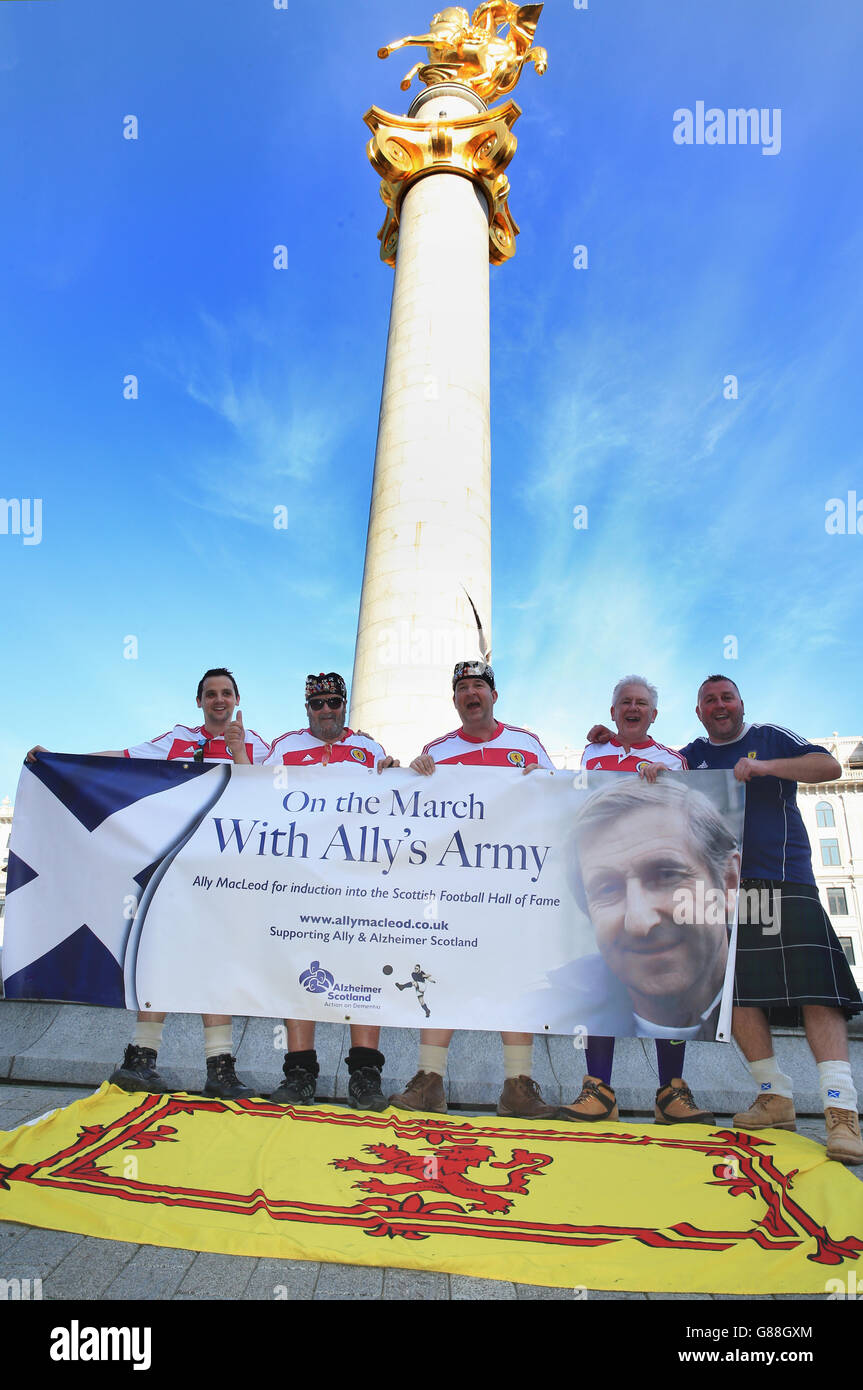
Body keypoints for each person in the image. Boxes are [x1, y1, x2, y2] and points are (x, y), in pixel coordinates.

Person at [26, 668, 270, 1100]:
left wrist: (239, 754)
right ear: (200, 702)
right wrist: (57, 759)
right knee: (159, 956)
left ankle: (220, 1068)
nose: (219, 700)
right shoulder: (176, 739)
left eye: (226, 693)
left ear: (237, 699)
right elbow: (121, 760)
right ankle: (140, 1061)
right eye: (211, 694)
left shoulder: (258, 745)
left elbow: (269, 803)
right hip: (170, 867)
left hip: (227, 872)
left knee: (218, 962)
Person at [679, 675, 863, 1163]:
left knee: (816, 991)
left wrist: (765, 770)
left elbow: (828, 765)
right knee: (737, 992)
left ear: (741, 704)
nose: (719, 706)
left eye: (727, 698)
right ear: (698, 711)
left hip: (784, 880)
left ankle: (841, 1111)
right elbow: (647, 774)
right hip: (722, 890)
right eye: (709, 701)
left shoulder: (770, 737)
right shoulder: (690, 754)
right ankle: (774, 1094)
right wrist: (610, 744)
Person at [389, 659, 558, 1119]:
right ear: (455, 699)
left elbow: (559, 800)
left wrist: (544, 782)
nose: (471, 694)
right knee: (441, 972)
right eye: (462, 688)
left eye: (478, 686)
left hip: (512, 886)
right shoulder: (436, 752)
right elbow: (412, 814)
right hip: (454, 888)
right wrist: (403, 773)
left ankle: (518, 1085)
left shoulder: (526, 745)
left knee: (515, 977)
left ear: (493, 695)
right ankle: (429, 1081)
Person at [234, 672, 398, 1112]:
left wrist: (399, 772)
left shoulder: (369, 749)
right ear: (306, 708)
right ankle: (301, 1072)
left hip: (355, 875)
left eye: (334, 702)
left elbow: (394, 796)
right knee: (298, 966)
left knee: (364, 966)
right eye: (318, 704)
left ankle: (365, 1075)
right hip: (299, 875)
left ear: (346, 704)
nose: (326, 710)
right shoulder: (285, 747)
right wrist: (235, 750)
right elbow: (252, 792)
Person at [566, 677, 715, 1125]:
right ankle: (598, 1087)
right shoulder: (593, 754)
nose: (633, 708)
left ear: (654, 714)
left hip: (663, 884)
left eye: (642, 703)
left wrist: (665, 783)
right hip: (612, 885)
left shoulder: (673, 760)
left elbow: (690, 812)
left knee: (672, 983)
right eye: (625, 703)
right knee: (604, 986)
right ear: (612, 713)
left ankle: (671, 1091)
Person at [548, 777, 738, 1124]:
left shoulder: (765, 984)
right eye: (606, 888)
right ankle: (599, 1089)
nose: (639, 921)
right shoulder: (545, 1002)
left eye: (666, 875)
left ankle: (672, 1090)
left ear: (728, 883)